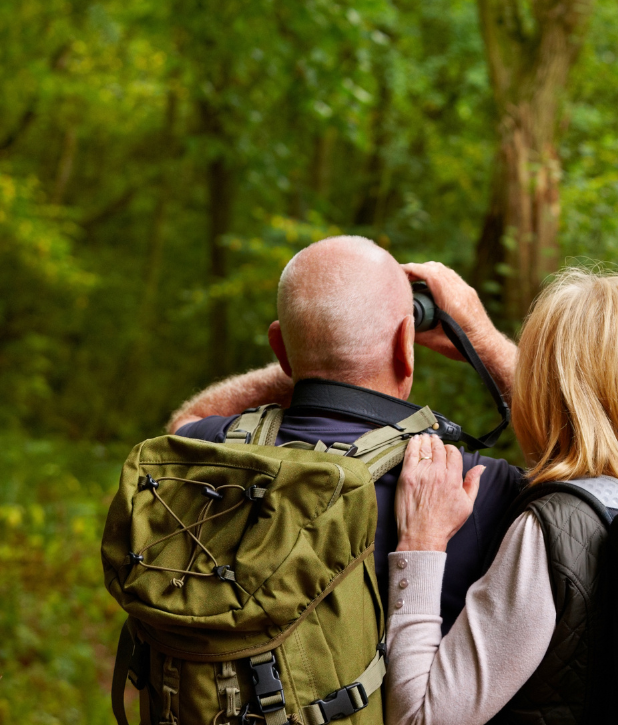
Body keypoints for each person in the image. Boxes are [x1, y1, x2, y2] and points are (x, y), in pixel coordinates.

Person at [381, 269, 618, 725]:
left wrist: (420, 543)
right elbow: (586, 427)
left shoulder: (553, 529)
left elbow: (418, 722)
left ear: (543, 388)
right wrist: (483, 338)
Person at [169, 235, 525, 631]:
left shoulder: (207, 451)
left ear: (279, 349)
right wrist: (483, 339)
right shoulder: (470, 486)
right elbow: (596, 457)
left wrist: (309, 349)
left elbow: (190, 416)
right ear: (406, 347)